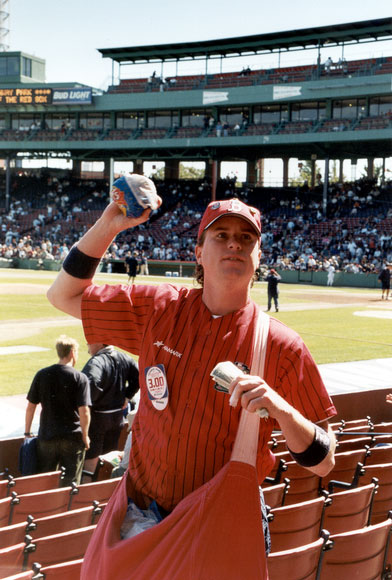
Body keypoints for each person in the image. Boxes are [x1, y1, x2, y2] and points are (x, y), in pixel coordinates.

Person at [47, 179, 336, 562]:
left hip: (222, 526)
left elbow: (325, 460)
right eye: (221, 235)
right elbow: (63, 295)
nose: (235, 243)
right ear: (198, 252)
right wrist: (109, 225)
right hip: (142, 516)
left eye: (246, 238)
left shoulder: (283, 346)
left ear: (258, 256)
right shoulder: (159, 308)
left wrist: (282, 410)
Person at [24, 335, 91, 487]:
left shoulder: (42, 374)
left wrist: (27, 433)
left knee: (44, 480)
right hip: (72, 437)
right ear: (73, 353)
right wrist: (85, 436)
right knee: (71, 482)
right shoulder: (80, 378)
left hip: (47, 435)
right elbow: (84, 411)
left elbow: (30, 407)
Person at [81, 342, 139, 475]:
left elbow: (91, 383)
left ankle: (88, 494)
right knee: (107, 462)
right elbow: (138, 377)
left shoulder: (96, 361)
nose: (88, 346)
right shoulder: (124, 357)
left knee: (88, 468)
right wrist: (127, 396)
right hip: (116, 419)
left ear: (100, 343)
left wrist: (86, 406)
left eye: (90, 342)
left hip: (98, 420)